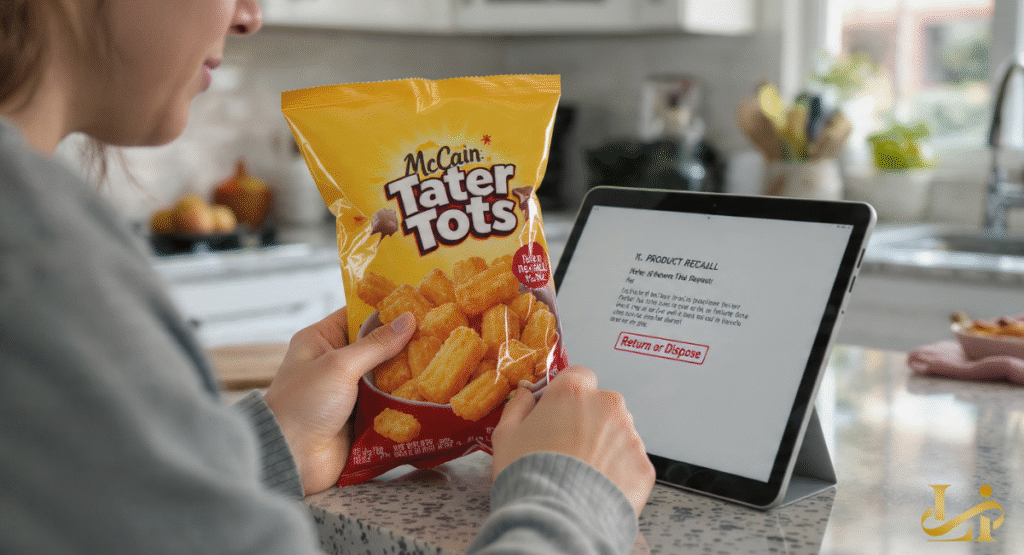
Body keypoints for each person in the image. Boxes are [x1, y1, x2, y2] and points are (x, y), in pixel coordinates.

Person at [0, 2, 655, 554]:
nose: (250, 15)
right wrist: (572, 497)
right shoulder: (37, 257)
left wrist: (272, 444)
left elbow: (95, 501)